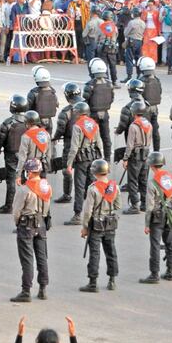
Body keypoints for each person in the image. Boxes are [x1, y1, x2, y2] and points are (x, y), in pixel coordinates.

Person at [10, 159, 51, 303]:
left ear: (29, 172)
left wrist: (17, 223)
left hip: (26, 224)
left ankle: (26, 290)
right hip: (41, 223)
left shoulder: (25, 189)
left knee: (27, 259)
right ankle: (43, 288)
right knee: (42, 257)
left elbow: (16, 210)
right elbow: (46, 209)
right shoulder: (46, 186)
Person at [79, 159, 120, 292]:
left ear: (95, 172)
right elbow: (118, 205)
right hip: (110, 223)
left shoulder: (93, 188)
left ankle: (93, 282)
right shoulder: (114, 186)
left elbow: (87, 211)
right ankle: (112, 280)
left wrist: (85, 226)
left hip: (96, 224)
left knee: (95, 254)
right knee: (111, 252)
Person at [64, 101, 103, 226]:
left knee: (80, 188)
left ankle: (77, 214)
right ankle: (95, 211)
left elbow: (74, 147)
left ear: (79, 112)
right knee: (92, 186)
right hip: (94, 159)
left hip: (81, 160)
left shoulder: (78, 126)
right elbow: (99, 143)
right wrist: (101, 159)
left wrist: (69, 164)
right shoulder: (93, 124)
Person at [142, 151, 172, 283]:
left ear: (151, 166)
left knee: (155, 244)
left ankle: (154, 274)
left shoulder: (152, 182)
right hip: (169, 212)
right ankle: (170, 270)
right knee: (170, 243)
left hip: (157, 216)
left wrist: (146, 224)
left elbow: (149, 206)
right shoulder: (170, 177)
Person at [0, 95, 29, 213]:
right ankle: (26, 203)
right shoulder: (29, 121)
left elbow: (0, 139)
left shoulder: (8, 123)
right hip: (26, 154)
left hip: (12, 155)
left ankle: (9, 205)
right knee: (26, 179)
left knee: (11, 180)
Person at [51, 83, 81, 204]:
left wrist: (56, 137)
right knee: (85, 167)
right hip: (85, 142)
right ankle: (85, 191)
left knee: (66, 168)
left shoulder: (66, 111)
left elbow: (61, 128)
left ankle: (67, 194)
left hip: (69, 142)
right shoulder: (86, 107)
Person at [122, 100, 152, 214]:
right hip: (145, 154)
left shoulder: (133, 126)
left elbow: (130, 145)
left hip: (135, 156)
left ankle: (135, 205)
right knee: (143, 180)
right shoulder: (148, 124)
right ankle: (144, 203)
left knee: (133, 181)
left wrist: (125, 158)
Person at [83, 58, 114, 160]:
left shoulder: (90, 85)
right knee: (106, 138)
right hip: (105, 113)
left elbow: (85, 100)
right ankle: (108, 159)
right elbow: (111, 98)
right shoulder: (109, 84)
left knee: (90, 138)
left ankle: (93, 159)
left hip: (93, 114)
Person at [15, 111, 51, 179]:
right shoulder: (46, 134)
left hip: (30, 167)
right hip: (42, 165)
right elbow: (49, 154)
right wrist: (47, 167)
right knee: (41, 187)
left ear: (28, 123)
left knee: (32, 188)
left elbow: (22, 158)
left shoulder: (26, 136)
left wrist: (18, 174)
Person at [26, 66, 58, 131]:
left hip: (36, 123)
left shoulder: (33, 93)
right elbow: (57, 104)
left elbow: (27, 109)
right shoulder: (53, 92)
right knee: (48, 139)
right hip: (49, 122)